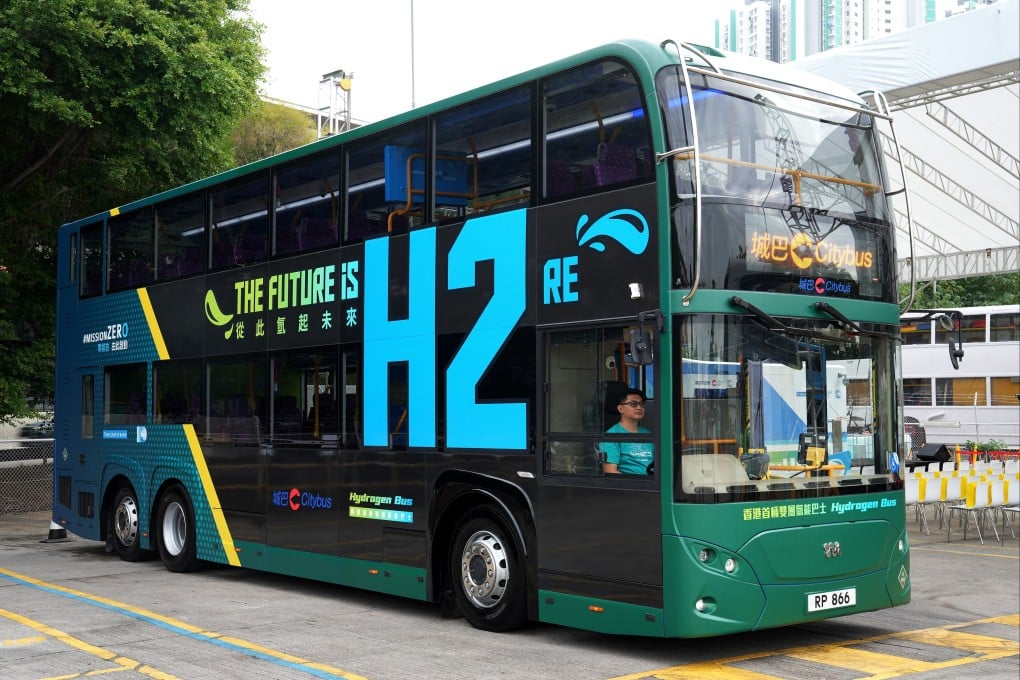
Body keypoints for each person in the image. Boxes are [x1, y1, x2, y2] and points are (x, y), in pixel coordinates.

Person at [600, 389, 654, 474]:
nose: (639, 407)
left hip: (654, 482)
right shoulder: (611, 436)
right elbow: (610, 471)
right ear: (621, 408)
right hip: (634, 485)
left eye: (641, 404)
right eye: (633, 404)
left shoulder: (647, 434)